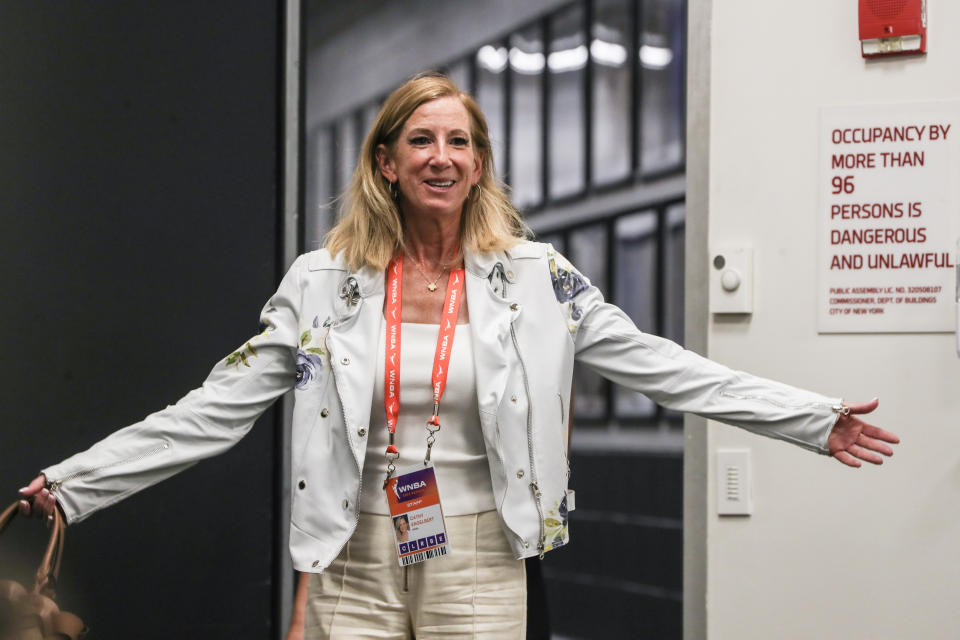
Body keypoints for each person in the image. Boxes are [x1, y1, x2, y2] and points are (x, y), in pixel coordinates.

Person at [17, 72, 899, 639]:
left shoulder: (534, 278)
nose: (442, 157)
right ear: (387, 163)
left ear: (480, 165)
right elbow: (213, 408)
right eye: (421, 141)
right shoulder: (324, 282)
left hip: (480, 557)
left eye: (460, 142)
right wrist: (76, 483)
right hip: (351, 558)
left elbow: (663, 365)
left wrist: (813, 420)